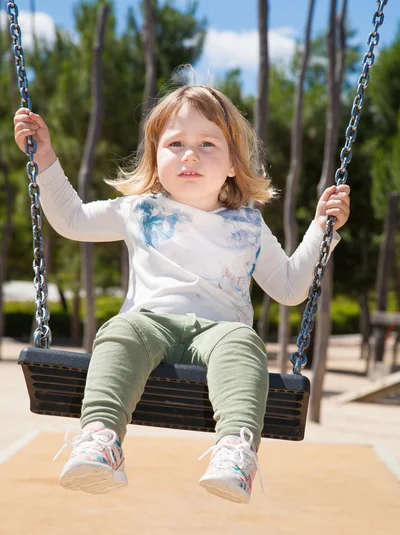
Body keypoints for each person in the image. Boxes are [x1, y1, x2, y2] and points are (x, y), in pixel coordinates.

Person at [13, 84, 350, 504]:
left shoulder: (247, 224)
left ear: (232, 163)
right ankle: (99, 437)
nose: (190, 154)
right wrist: (43, 156)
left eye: (207, 143)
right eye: (175, 143)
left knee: (244, 343)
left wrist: (323, 230)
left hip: (220, 332)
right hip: (149, 322)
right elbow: (71, 219)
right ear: (156, 158)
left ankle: (235, 449)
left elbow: (288, 287)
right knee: (119, 332)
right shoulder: (140, 209)